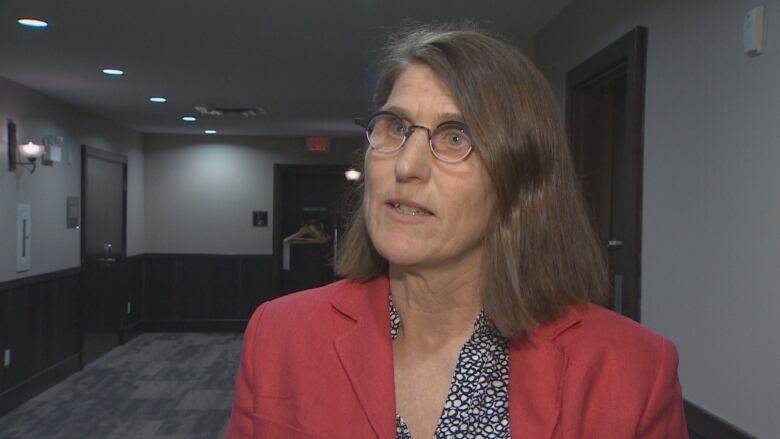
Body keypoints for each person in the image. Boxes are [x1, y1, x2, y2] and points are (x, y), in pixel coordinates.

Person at [227, 25, 688, 439]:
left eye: (455, 137)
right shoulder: (279, 335)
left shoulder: (633, 371)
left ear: (518, 182)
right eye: (395, 127)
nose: (406, 165)